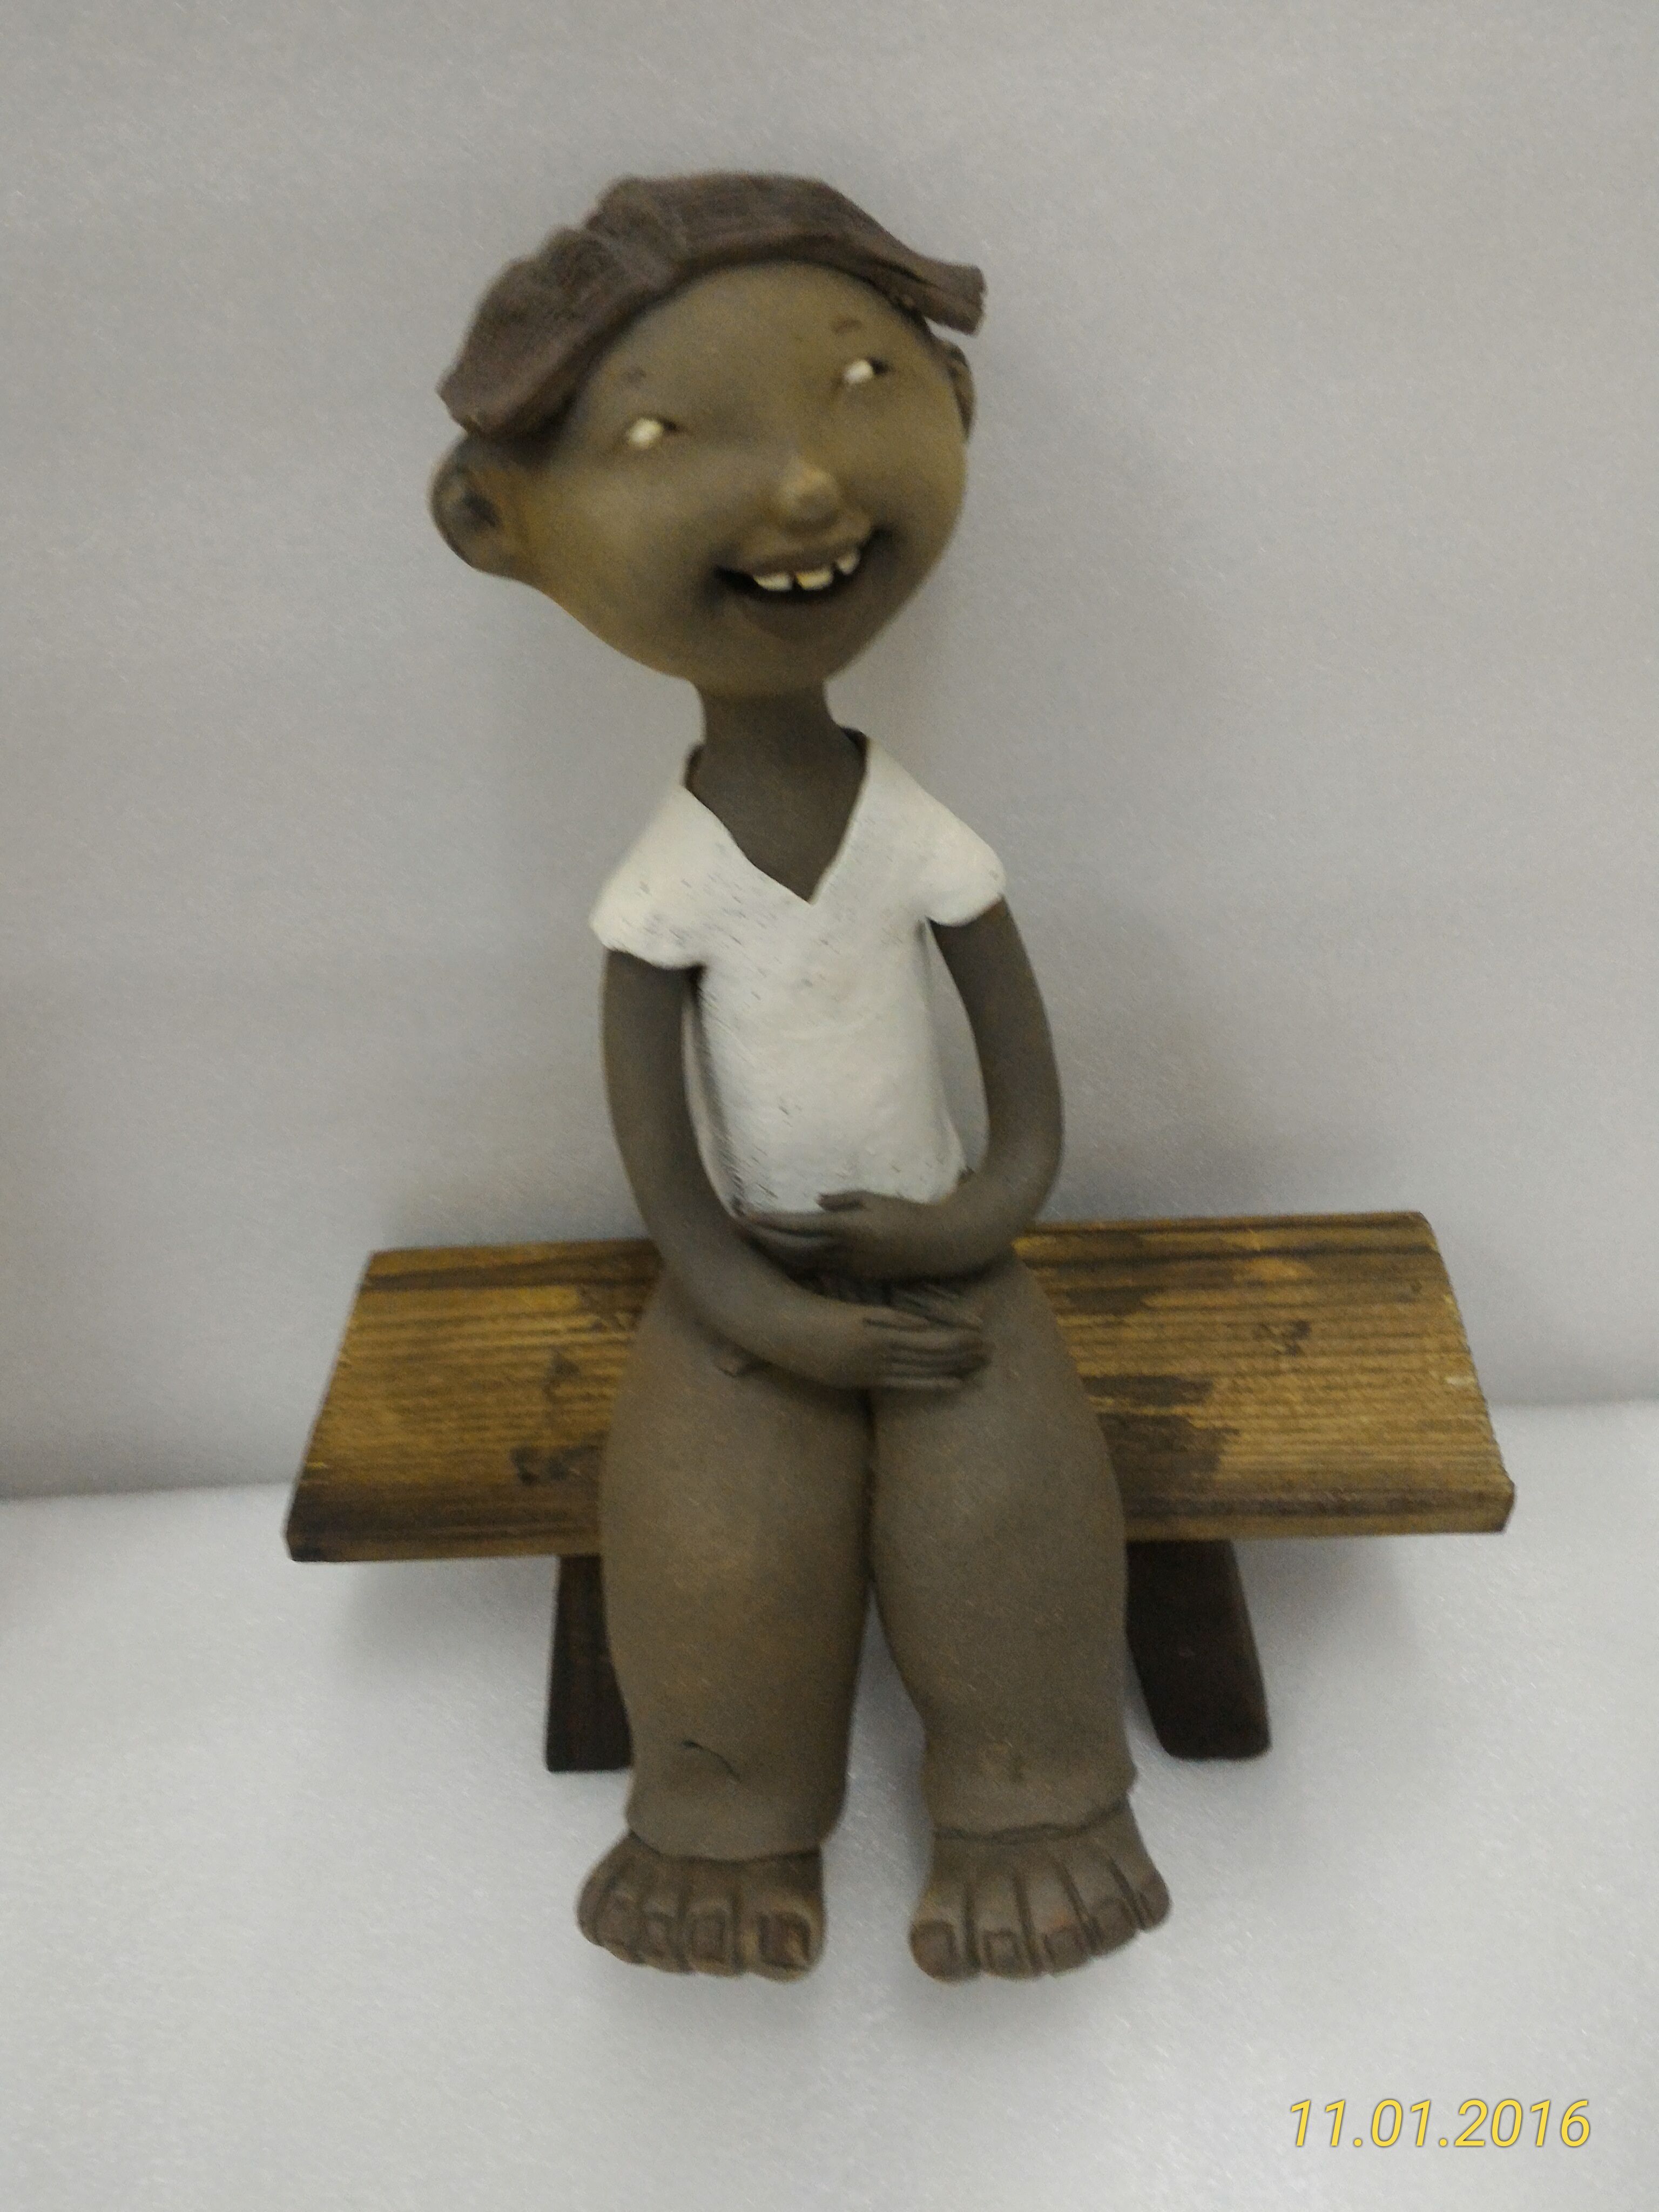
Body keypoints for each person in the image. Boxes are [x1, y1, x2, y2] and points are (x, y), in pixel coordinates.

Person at [433, 174, 1169, 1981]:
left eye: (861, 384)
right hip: (749, 1279)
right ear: (501, 524)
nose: (810, 487)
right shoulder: (662, 897)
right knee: (712, 1520)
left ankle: (1036, 1792)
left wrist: (976, 1220)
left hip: (945, 1254)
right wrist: (760, 1309)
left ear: (953, 401)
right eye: (664, 436)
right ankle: (724, 1811)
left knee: (1003, 1487)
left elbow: (1027, 1105)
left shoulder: (922, 844)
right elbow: (666, 1180)